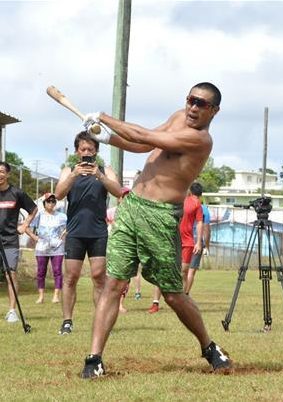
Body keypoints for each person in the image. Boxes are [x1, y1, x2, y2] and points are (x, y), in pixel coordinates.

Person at [81, 82, 232, 378]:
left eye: (201, 104)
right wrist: (108, 137)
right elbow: (143, 145)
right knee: (113, 283)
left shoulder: (201, 140)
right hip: (132, 206)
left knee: (173, 295)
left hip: (160, 217)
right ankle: (94, 358)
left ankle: (209, 346)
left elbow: (146, 135)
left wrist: (103, 117)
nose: (192, 107)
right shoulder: (179, 116)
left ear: (214, 111)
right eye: (190, 99)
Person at [55, 131, 122, 335]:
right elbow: (58, 194)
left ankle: (100, 320)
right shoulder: (69, 170)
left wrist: (99, 175)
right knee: (71, 277)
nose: (86, 153)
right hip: (75, 232)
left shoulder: (104, 170)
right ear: (77, 151)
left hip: (98, 232)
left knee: (99, 276)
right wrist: (75, 174)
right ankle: (67, 321)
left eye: (90, 150)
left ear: (96, 151)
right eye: (83, 149)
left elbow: (118, 191)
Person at [147, 181, 204, 313]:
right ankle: (155, 303)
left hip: (187, 242)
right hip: (170, 239)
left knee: (183, 272)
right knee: (163, 271)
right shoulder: (174, 199)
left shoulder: (196, 203)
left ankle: (181, 304)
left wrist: (199, 242)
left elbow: (200, 222)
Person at [0, 161, 37, 323]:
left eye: (2, 171)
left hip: (9, 240)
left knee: (10, 274)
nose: (0, 174)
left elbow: (34, 209)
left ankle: (12, 310)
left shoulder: (17, 193)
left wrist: (25, 225)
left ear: (7, 174)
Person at [26, 193, 67, 304]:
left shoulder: (61, 216)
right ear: (44, 203)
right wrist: (35, 238)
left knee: (57, 271)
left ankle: (56, 295)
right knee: (41, 272)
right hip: (42, 247)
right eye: (48, 201)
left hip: (57, 247)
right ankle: (41, 296)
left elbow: (69, 227)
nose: (51, 203)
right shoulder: (39, 215)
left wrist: (62, 237)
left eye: (53, 201)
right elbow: (26, 226)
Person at [184, 183, 211, 295]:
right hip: (196, 242)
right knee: (191, 270)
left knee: (183, 269)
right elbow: (206, 228)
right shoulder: (203, 208)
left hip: (185, 239)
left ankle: (181, 294)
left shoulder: (184, 203)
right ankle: (185, 294)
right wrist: (206, 246)